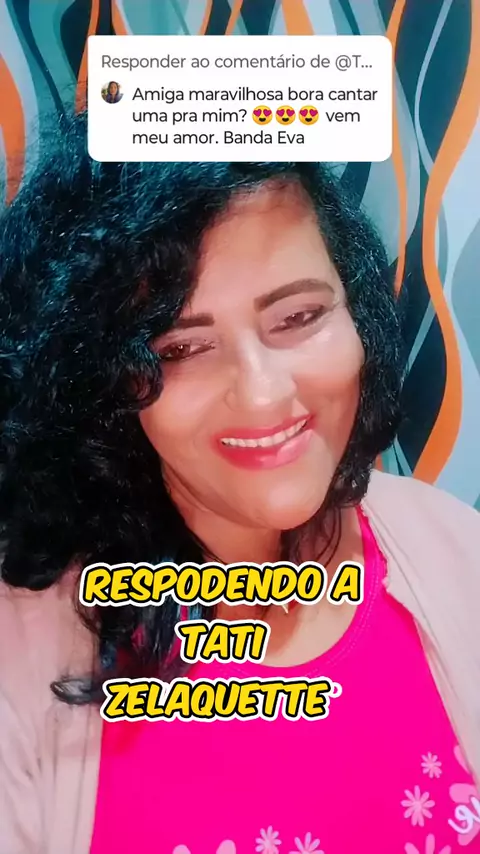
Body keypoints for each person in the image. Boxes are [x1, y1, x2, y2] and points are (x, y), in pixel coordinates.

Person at [0, 112, 479, 854]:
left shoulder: (453, 551)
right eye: (181, 349)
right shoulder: (21, 646)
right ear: (102, 381)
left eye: (299, 316)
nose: (262, 396)